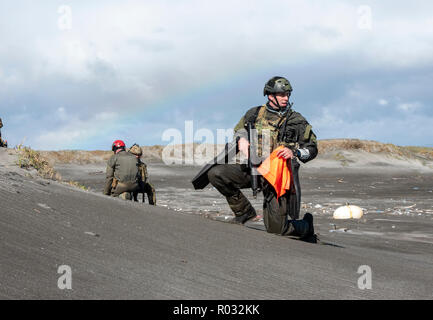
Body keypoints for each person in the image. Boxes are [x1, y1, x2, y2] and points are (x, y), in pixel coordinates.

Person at [207, 76, 318, 240]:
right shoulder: (253, 114)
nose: (286, 98)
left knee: (277, 231)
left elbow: (312, 148)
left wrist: (295, 153)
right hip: (253, 169)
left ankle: (306, 226)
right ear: (270, 95)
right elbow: (239, 130)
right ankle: (244, 213)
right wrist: (241, 139)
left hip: (277, 179)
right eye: (281, 94)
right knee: (216, 173)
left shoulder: (297, 120)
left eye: (287, 94)